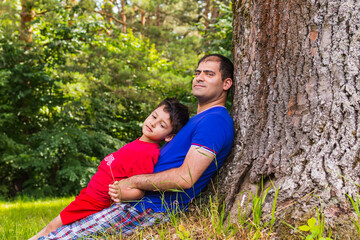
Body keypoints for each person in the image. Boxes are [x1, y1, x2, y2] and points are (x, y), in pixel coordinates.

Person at [37, 54, 234, 240]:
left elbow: (186, 178)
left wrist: (133, 182)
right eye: (197, 73)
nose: (199, 78)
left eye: (209, 74)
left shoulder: (215, 121)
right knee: (58, 233)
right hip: (136, 204)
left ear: (226, 83)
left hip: (149, 209)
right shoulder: (198, 120)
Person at [30, 98, 189, 240]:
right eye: (154, 116)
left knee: (52, 228)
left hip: (95, 202)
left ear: (169, 137)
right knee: (53, 227)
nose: (153, 123)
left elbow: (140, 188)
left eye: (162, 125)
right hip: (89, 195)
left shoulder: (146, 153)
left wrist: (121, 194)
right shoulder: (140, 144)